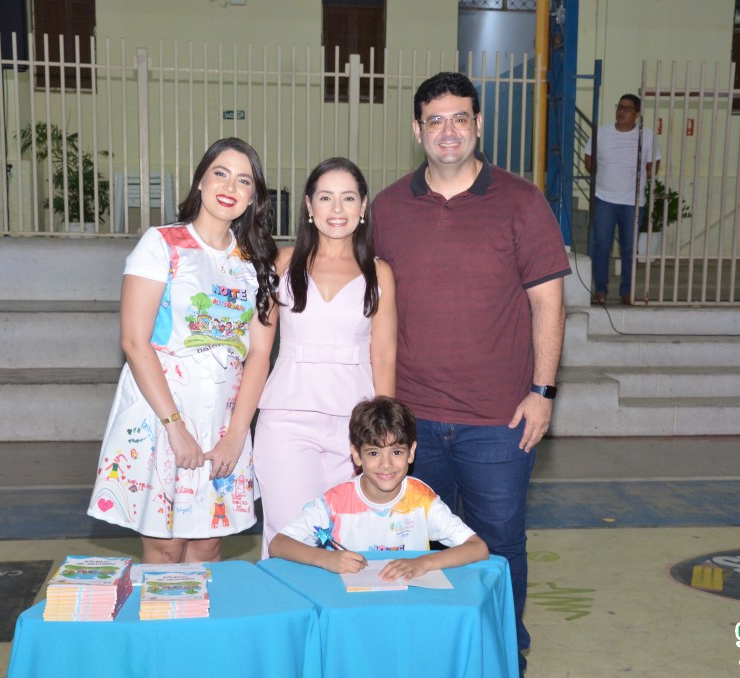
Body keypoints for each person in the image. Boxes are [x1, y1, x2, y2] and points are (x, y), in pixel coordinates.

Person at [370, 71, 570, 668]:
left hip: (499, 422)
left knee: (499, 545)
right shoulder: (388, 208)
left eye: (460, 118)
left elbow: (549, 303)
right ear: (417, 130)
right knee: (422, 546)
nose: (448, 131)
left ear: (479, 125)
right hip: (413, 423)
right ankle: (442, 654)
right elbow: (360, 294)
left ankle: (504, 655)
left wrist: (542, 392)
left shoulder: (521, 201)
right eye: (435, 120)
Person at [87, 138, 279, 564]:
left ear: (253, 197)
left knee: (209, 543)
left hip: (222, 421)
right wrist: (174, 426)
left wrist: (235, 437)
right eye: (220, 174)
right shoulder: (162, 244)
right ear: (200, 181)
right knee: (166, 544)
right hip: (162, 414)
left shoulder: (258, 263)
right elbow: (134, 342)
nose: (230, 186)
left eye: (243, 180)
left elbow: (259, 355)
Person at [254, 157, 397, 558]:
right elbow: (259, 352)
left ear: (363, 206)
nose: (337, 209)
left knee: (351, 541)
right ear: (309, 205)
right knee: (291, 538)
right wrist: (234, 431)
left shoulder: (379, 273)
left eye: (348, 198)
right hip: (286, 421)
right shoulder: (283, 263)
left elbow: (384, 356)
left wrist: (385, 435)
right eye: (326, 197)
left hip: (355, 425)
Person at [269, 396, 488, 581]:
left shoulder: (421, 500)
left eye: (396, 452)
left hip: (406, 602)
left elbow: (478, 548)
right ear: (356, 455)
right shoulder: (335, 503)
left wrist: (423, 563)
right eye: (374, 453)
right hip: (350, 603)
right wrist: (326, 559)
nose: (386, 464)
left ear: (411, 452)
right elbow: (278, 545)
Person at [583, 93, 661, 305]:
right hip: (604, 198)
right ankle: (601, 291)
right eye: (620, 107)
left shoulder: (647, 137)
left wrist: (637, 179)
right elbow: (589, 160)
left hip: (632, 202)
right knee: (601, 245)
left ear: (637, 113)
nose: (621, 111)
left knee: (629, 248)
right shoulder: (602, 133)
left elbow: (653, 165)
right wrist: (605, 176)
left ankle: (627, 291)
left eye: (627, 108)